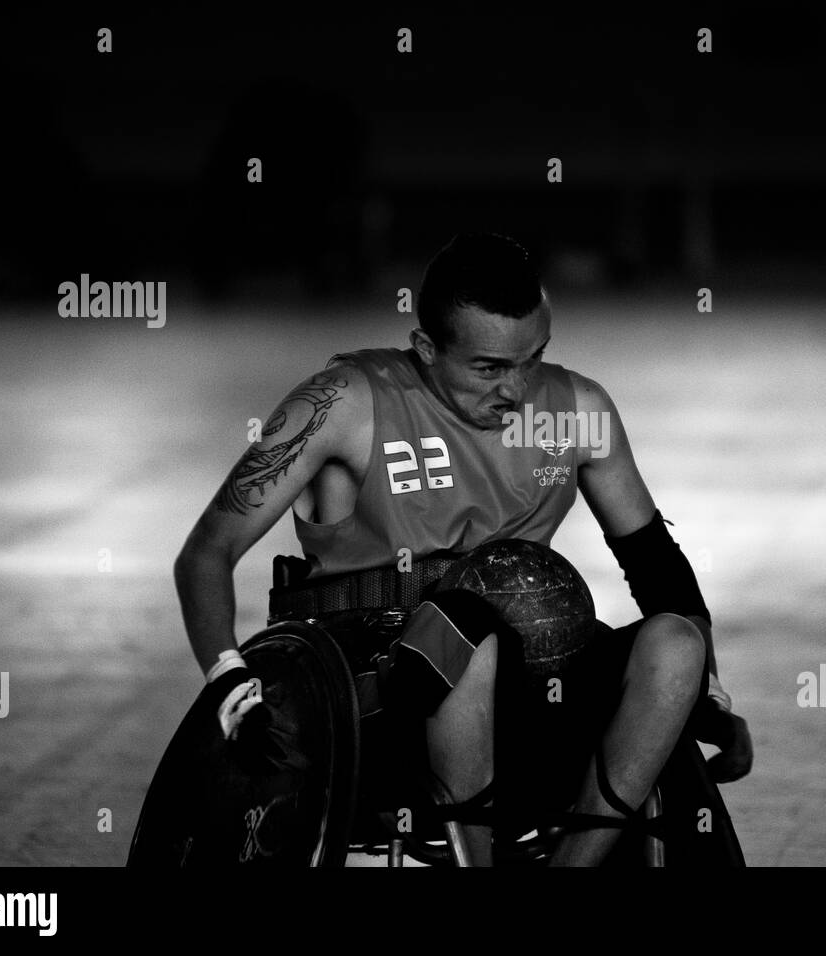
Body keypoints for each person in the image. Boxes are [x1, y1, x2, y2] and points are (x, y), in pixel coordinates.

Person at [173, 232, 752, 866]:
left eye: (533, 359)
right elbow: (206, 553)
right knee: (467, 630)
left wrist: (708, 693)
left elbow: (656, 567)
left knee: (675, 645)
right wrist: (230, 686)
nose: (517, 388)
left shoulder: (579, 410)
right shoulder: (344, 402)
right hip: (381, 687)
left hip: (532, 687)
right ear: (425, 349)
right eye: (489, 368)